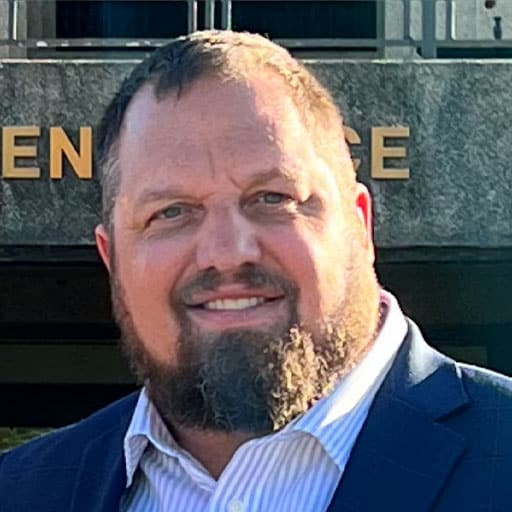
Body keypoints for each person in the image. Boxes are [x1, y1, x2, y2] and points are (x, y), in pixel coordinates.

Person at [1, 30, 511, 512]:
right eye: (171, 212)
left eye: (273, 198)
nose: (226, 252)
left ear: (360, 226)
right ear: (111, 258)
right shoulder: (22, 491)